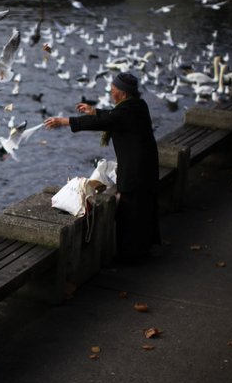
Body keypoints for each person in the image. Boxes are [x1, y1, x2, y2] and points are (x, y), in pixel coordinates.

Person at [43, 72, 160, 262]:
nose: (110, 93)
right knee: (143, 208)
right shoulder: (138, 105)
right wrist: (95, 111)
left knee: (130, 212)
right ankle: (143, 250)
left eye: (113, 90)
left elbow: (107, 121)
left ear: (122, 94)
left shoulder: (125, 112)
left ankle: (130, 257)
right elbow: (112, 117)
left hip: (135, 170)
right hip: (145, 166)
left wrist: (65, 121)